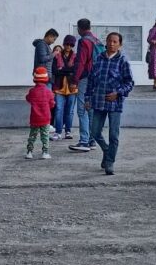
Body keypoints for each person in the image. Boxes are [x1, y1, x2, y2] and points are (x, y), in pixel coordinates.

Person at [85, 32, 134, 175]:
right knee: (94, 132)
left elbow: (129, 82)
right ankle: (107, 150)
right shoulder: (98, 60)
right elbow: (91, 81)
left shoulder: (122, 61)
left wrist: (118, 93)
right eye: (109, 41)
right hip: (98, 101)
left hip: (115, 104)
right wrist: (87, 98)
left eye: (115, 42)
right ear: (105, 42)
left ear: (120, 44)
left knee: (114, 135)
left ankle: (110, 162)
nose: (112, 44)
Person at [69, 19, 102, 152]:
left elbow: (81, 62)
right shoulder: (96, 40)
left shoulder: (84, 41)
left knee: (82, 109)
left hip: (85, 77)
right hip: (96, 78)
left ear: (79, 28)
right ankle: (91, 140)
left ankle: (83, 141)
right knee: (91, 109)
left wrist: (74, 80)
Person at [25, 65, 56, 158]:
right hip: (45, 117)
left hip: (34, 117)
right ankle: (45, 153)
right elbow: (52, 104)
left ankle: (29, 152)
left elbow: (28, 99)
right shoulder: (48, 92)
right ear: (46, 78)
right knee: (45, 136)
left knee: (32, 136)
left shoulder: (32, 91)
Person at [52, 36, 78, 139]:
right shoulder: (57, 56)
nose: (69, 46)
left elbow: (76, 70)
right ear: (64, 44)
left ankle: (68, 131)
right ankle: (58, 132)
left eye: (71, 44)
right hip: (59, 87)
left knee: (70, 110)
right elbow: (54, 71)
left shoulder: (76, 57)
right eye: (67, 44)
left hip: (72, 87)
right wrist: (68, 70)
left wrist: (62, 69)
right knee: (58, 109)